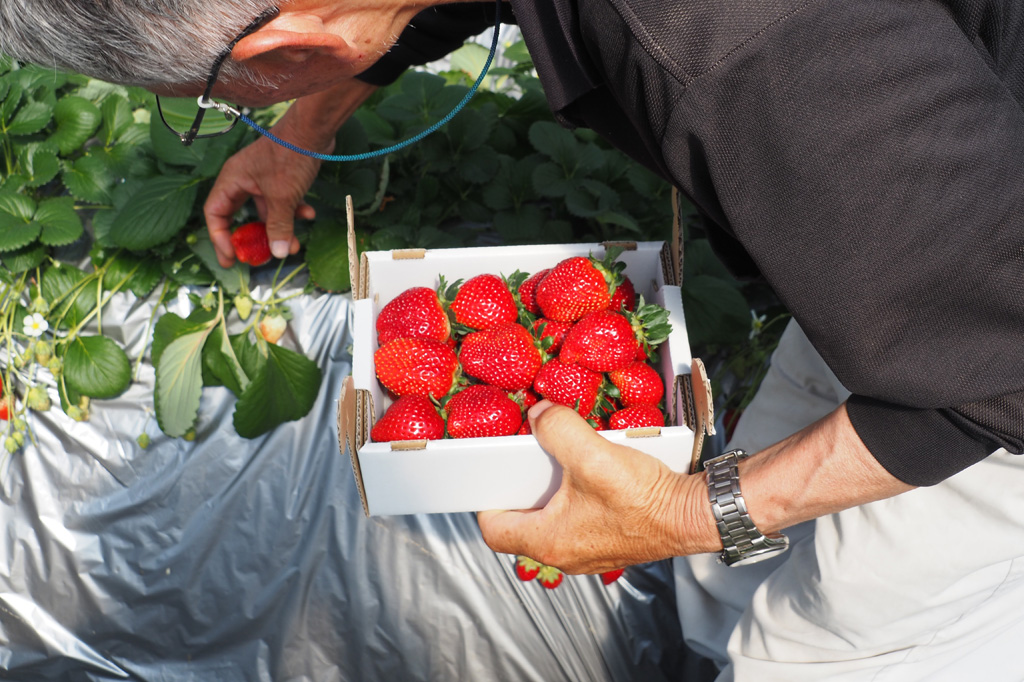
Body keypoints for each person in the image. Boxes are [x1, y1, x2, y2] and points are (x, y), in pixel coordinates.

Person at [2, 1, 1023, 679]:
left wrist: (687, 510)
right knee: (762, 519)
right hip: (928, 234)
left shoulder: (752, 50)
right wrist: (300, 130)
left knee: (823, 642)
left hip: (1001, 353)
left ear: (280, 48)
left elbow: (1001, 368)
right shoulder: (780, 78)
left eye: (210, 105)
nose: (226, 115)